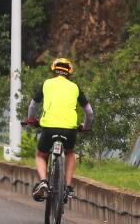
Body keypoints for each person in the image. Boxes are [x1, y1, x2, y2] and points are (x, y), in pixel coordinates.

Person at [26, 57, 93, 203]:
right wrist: (86, 126)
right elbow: (89, 112)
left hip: (49, 128)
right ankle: (68, 187)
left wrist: (31, 119)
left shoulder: (47, 84)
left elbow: (32, 106)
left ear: (54, 70)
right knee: (69, 153)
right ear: (69, 72)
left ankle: (43, 182)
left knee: (40, 154)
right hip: (69, 129)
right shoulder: (75, 87)